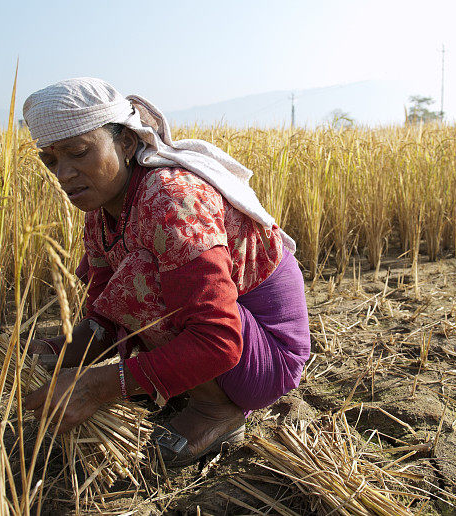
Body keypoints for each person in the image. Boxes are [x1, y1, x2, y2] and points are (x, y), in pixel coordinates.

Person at [21, 78, 311, 466]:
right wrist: (41, 354)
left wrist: (95, 386)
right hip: (229, 345)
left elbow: (219, 341)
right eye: (51, 160)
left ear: (125, 143)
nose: (64, 173)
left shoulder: (172, 201)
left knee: (140, 277)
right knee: (131, 282)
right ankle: (192, 388)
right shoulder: (102, 211)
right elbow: (103, 319)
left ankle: (216, 412)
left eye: (77, 152)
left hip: (265, 356)